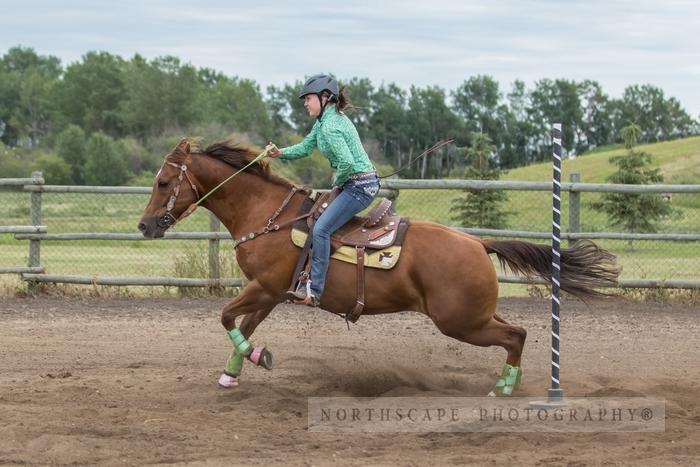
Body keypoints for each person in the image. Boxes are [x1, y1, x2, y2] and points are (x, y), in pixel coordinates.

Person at [268, 74, 379, 307]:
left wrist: (337, 182)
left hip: (359, 187)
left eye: (308, 98)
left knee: (320, 229)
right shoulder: (324, 123)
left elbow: (347, 163)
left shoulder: (330, 127)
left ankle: (314, 290)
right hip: (354, 184)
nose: (305, 103)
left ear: (325, 97)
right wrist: (281, 153)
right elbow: (306, 147)